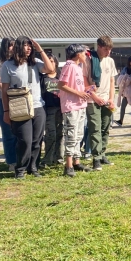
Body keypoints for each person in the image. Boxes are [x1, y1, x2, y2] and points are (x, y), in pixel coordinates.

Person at [1, 36, 55, 179]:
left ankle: (33, 166)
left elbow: (50, 69)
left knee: (37, 140)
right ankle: (20, 168)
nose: (29, 48)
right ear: (19, 46)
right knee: (25, 140)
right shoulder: (7, 65)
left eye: (30, 46)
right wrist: (6, 111)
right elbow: (4, 91)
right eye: (26, 45)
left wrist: (40, 50)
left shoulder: (35, 63)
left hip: (38, 106)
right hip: (20, 107)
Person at [82, 36, 117, 171]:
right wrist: (94, 96)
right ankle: (96, 158)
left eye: (110, 50)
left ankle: (102, 153)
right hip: (93, 99)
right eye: (106, 49)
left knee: (105, 127)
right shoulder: (88, 60)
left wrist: (111, 98)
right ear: (99, 47)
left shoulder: (110, 61)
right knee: (95, 128)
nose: (108, 52)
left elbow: (112, 81)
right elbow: (85, 80)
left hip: (106, 99)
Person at [58, 44, 92, 177]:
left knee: (79, 135)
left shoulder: (78, 67)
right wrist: (78, 93)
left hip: (80, 105)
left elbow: (77, 86)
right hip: (71, 106)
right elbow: (61, 85)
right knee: (71, 135)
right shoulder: (69, 66)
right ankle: (68, 165)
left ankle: (77, 162)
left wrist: (86, 91)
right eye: (84, 53)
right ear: (78, 54)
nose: (85, 56)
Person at [0, 37, 17, 171]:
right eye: (10, 45)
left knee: (18, 131)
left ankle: (20, 159)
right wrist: (7, 93)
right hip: (1, 99)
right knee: (8, 132)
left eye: (14, 45)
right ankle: (11, 161)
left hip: (16, 99)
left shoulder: (16, 61)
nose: (12, 48)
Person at [40, 55, 64, 168]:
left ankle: (58, 157)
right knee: (51, 134)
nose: (50, 63)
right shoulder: (42, 77)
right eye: (48, 62)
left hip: (61, 108)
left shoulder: (61, 75)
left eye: (52, 61)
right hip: (49, 109)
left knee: (61, 133)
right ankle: (47, 159)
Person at [115, 55, 131, 126]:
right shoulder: (125, 69)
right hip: (127, 89)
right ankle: (121, 120)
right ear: (129, 62)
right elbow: (121, 79)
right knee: (123, 104)